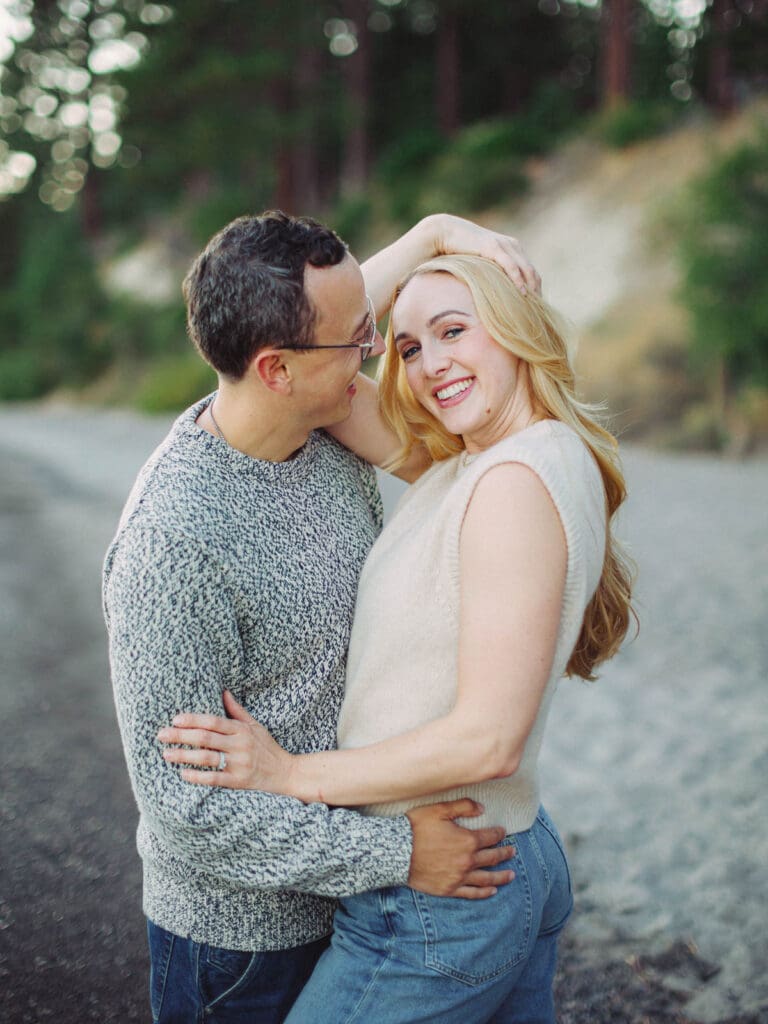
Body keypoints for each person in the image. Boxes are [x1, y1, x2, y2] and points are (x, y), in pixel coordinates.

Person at [160, 253, 635, 1022]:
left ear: (516, 331)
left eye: (455, 330)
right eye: (408, 347)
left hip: (441, 894)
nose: (430, 364)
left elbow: (489, 742)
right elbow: (285, 355)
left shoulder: (509, 483)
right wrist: (433, 233)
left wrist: (290, 775)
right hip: (507, 850)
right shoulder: (483, 459)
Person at [103, 212, 541, 1024]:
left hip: (358, 905)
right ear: (274, 369)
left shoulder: (321, 413)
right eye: (360, 342)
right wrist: (400, 853)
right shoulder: (175, 543)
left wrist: (435, 232)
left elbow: (329, 322)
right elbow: (186, 810)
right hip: (241, 946)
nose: (377, 354)